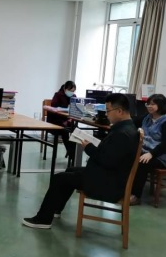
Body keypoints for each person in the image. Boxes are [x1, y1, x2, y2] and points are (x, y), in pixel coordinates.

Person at [22, 93, 139, 229]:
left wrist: (88, 147)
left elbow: (107, 161)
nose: (106, 115)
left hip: (108, 184)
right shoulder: (127, 128)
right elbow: (111, 154)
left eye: (108, 111)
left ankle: (43, 219)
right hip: (109, 176)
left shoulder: (122, 134)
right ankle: (55, 209)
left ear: (119, 111)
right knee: (70, 170)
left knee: (59, 178)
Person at [130, 94, 166, 205]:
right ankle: (126, 189)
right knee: (128, 155)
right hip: (149, 151)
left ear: (162, 105)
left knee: (142, 162)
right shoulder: (148, 118)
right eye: (148, 104)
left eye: (153, 104)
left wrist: (151, 154)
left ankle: (135, 196)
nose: (149, 106)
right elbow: (132, 122)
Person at [46, 80, 77, 164]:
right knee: (65, 131)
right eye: (70, 90)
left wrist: (70, 119)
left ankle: (73, 151)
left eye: (73, 91)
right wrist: (65, 108)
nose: (71, 93)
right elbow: (54, 107)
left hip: (68, 119)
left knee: (76, 130)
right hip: (56, 120)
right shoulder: (58, 95)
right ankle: (71, 152)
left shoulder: (74, 97)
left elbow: (75, 109)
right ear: (65, 88)